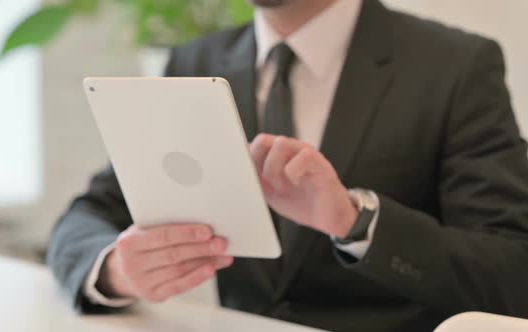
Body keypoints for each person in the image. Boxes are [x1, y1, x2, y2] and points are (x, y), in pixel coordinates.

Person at [47, 0, 528, 331]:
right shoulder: (196, 61)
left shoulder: (456, 67)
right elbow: (87, 216)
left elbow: (511, 271)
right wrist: (114, 269)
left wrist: (356, 221)